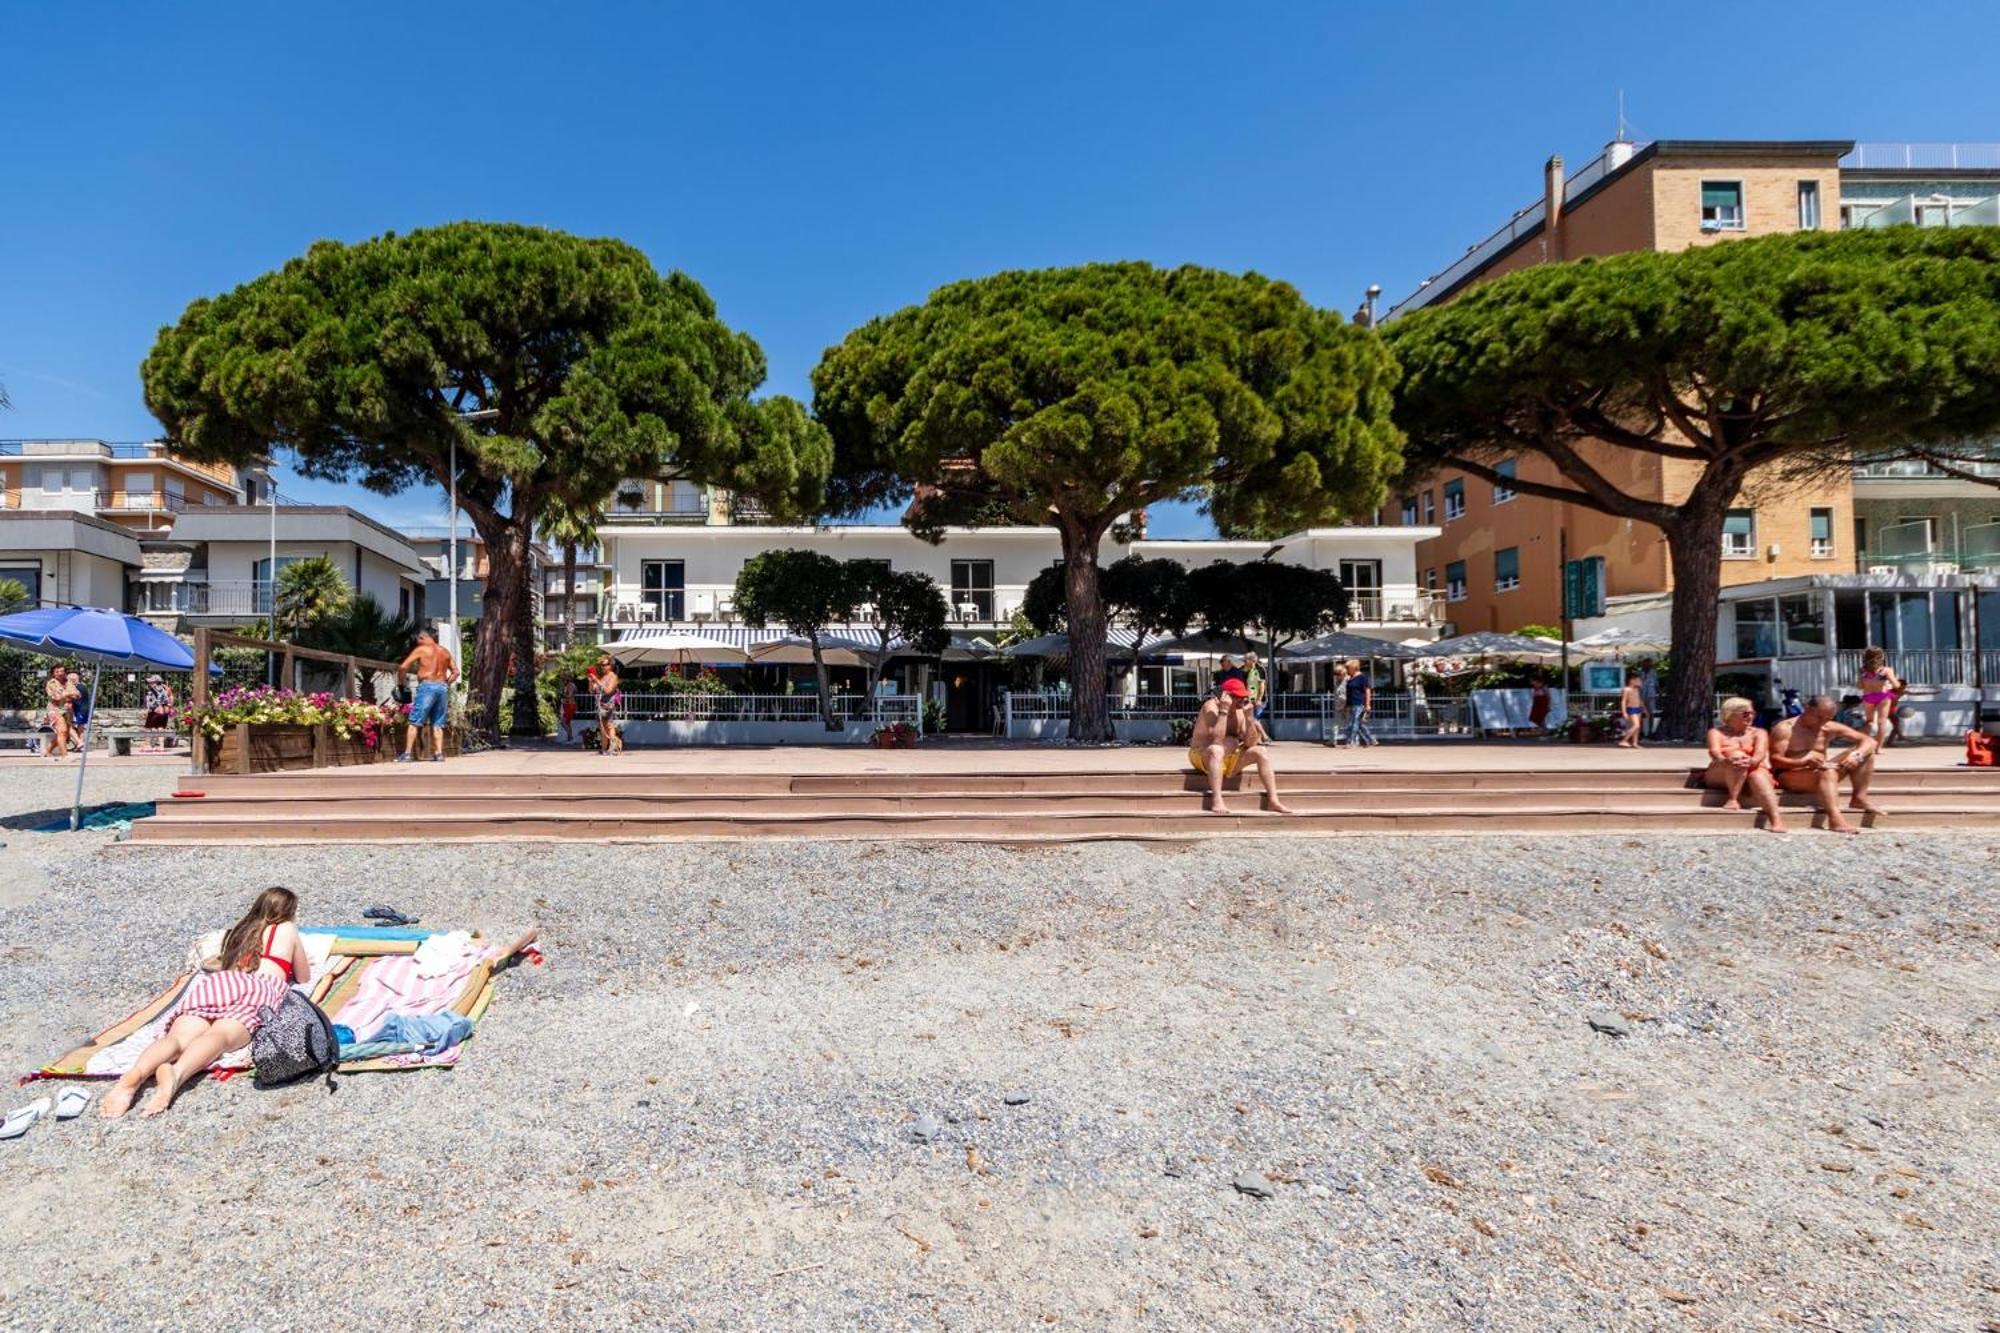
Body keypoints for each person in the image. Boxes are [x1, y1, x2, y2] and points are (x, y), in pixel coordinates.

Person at [100, 887, 311, 1119]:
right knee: (219, 1037)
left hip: (220, 983)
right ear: (289, 911)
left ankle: (133, 1077)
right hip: (258, 988)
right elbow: (303, 976)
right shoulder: (287, 929)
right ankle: (177, 1074)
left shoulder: (239, 931)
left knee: (178, 1038)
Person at [1769, 695, 1882, 835]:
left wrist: (1857, 756)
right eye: (1818, 717)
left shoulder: (1827, 727)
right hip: (1791, 775)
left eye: (1827, 719)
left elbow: (1869, 740)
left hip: (1822, 771)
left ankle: (1859, 798)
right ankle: (1835, 819)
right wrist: (1802, 762)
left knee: (1866, 754)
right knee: (1828, 771)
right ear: (1807, 709)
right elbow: (1774, 760)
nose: (1822, 722)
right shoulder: (1785, 728)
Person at [1189, 677, 1292, 815]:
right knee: (1216, 750)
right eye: (1238, 697)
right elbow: (1217, 740)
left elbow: (1251, 743)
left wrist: (1250, 719)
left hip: (1228, 759)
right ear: (1226, 696)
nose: (1242, 701)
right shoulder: (1211, 707)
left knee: (1261, 751)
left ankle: (1274, 800)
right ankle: (1217, 799)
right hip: (1203, 755)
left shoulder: (1240, 711)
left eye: (1244, 697)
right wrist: (1224, 711)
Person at [1704, 697, 1787, 833]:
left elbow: (1760, 752)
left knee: (1758, 776)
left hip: (1752, 768)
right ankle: (1733, 798)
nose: (1750, 716)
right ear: (1730, 714)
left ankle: (1776, 819)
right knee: (1737, 756)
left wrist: (1752, 761)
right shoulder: (1716, 732)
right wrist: (1725, 760)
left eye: (1752, 713)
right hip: (1722, 771)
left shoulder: (1759, 732)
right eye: (1745, 713)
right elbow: (1714, 752)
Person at [395, 629, 458, 763]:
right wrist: (446, 683)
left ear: (423, 637)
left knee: (415, 720)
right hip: (442, 687)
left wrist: (401, 684)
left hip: (427, 686)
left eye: (418, 639)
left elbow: (403, 667)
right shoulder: (445, 651)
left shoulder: (422, 649)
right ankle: (439, 754)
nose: (417, 642)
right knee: (438, 722)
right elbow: (456, 672)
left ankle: (407, 754)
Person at [1856, 647, 1901, 748]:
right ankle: (1878, 748)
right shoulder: (1886, 670)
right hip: (1882, 696)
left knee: (1869, 722)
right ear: (1881, 657)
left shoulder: (1863, 670)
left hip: (1868, 697)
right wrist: (1889, 683)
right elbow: (1896, 685)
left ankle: (1863, 745)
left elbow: (1859, 686)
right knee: (1882, 722)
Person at [42, 665, 80, 761]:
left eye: (62, 671)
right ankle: (64, 755)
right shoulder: (51, 683)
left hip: (67, 710)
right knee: (62, 731)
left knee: (65, 733)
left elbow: (78, 695)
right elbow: (56, 697)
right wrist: (69, 694)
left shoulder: (69, 682)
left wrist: (66, 694)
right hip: (55, 709)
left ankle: (48, 751)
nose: (60, 673)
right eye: (57, 671)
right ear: (53, 674)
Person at [592, 654, 624, 756]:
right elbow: (593, 691)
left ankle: (614, 747)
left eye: (605, 664)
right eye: (601, 665)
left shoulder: (613, 677)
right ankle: (604, 749)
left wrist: (597, 681)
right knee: (602, 727)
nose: (603, 667)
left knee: (609, 726)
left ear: (610, 665)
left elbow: (608, 690)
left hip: (608, 704)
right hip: (600, 705)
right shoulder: (603, 677)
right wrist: (591, 682)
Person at [1343, 658, 1376, 748]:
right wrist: (1346, 705)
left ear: (1354, 668)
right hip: (1351, 704)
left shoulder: (1362, 678)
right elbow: (1348, 693)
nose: (1347, 670)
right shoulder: (1350, 679)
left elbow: (1367, 691)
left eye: (1348, 668)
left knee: (1354, 724)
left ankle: (1351, 742)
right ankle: (1370, 740)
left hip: (1359, 703)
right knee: (1359, 724)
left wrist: (1368, 704)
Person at [142, 674, 176, 750]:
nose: (149, 683)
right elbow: (171, 697)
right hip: (165, 711)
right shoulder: (166, 687)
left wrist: (147, 710)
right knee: (161, 727)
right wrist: (169, 706)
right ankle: (161, 746)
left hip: (156, 710)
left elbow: (150, 702)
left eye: (151, 682)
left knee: (148, 727)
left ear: (155, 682)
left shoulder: (152, 689)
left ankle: (148, 746)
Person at [1616, 674, 1647, 748]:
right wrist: (1624, 712)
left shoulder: (1637, 689)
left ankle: (1635, 743)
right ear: (1632, 681)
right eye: (1638, 680)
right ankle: (1623, 740)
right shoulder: (1626, 689)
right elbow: (1623, 701)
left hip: (1638, 709)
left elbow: (1640, 700)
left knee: (1637, 728)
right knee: (1636, 725)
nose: (1640, 682)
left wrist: (1644, 709)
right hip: (1631, 708)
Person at [1242, 652, 1267, 720]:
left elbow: (1262, 686)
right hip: (1248, 700)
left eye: (1245, 660)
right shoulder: (1244, 669)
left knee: (1254, 721)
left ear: (1252, 660)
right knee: (1250, 721)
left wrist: (1259, 699)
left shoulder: (1260, 669)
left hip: (1257, 701)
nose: (1244, 662)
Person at [559, 675, 578, 744]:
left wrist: (562, 695)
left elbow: (569, 696)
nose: (562, 681)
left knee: (563, 722)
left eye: (563, 680)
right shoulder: (567, 686)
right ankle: (569, 739)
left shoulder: (570, 686)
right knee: (568, 722)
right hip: (567, 705)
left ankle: (571, 737)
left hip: (570, 705)